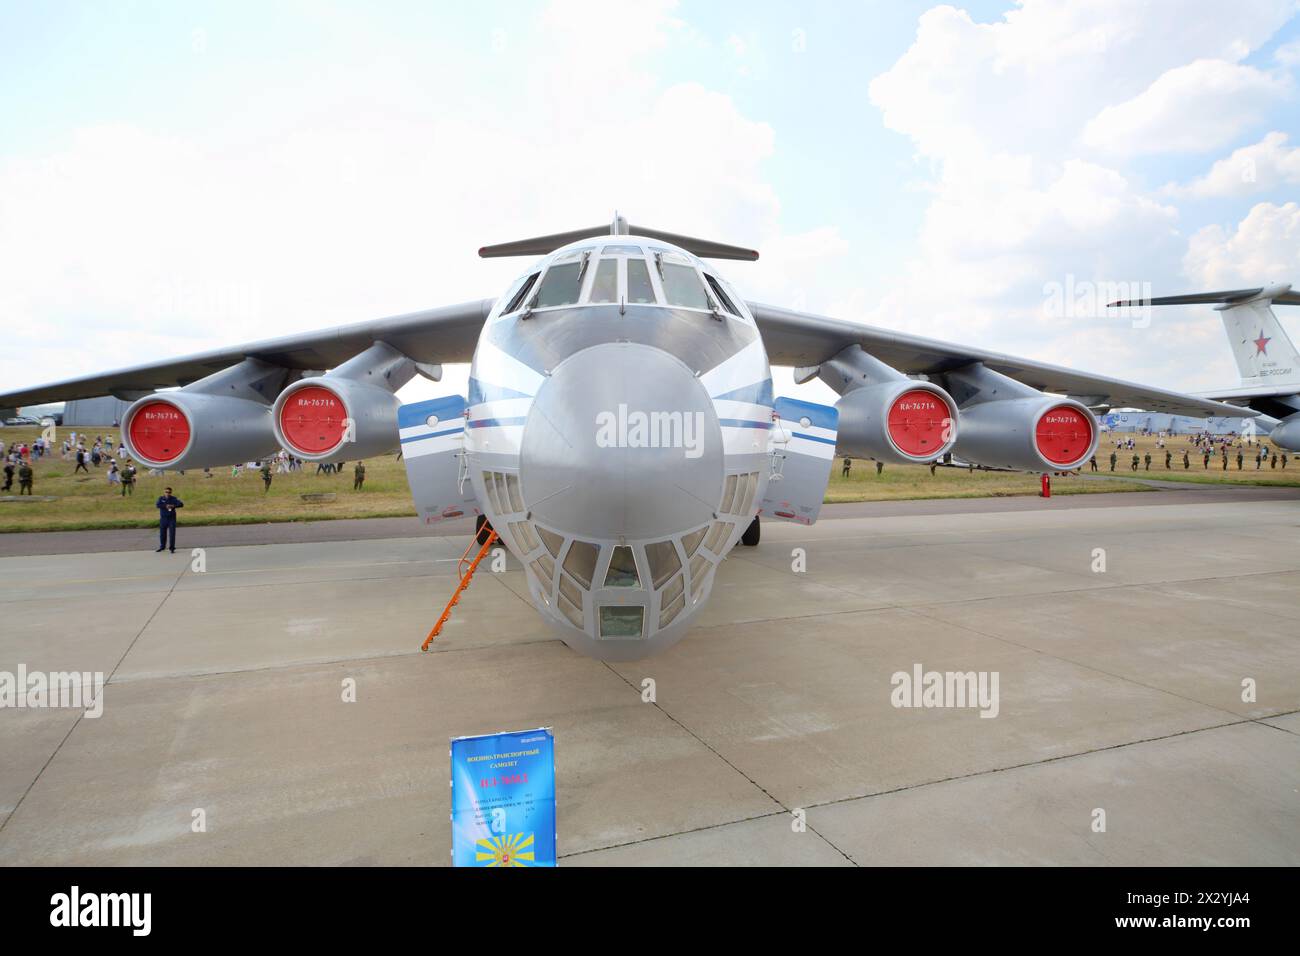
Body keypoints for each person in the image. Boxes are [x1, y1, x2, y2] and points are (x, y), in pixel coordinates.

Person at [155, 487, 184, 553]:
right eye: (166, 492)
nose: (168, 493)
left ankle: (172, 548)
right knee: (162, 534)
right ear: (164, 492)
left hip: (171, 519)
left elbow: (181, 504)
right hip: (163, 519)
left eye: (169, 492)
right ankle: (162, 547)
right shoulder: (161, 498)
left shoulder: (174, 498)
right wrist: (166, 506)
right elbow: (157, 505)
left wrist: (173, 506)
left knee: (172, 534)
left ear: (171, 493)